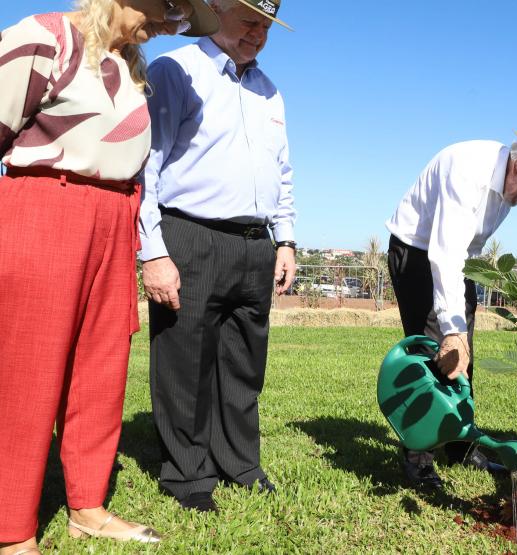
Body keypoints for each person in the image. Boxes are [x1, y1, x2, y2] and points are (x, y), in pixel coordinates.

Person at [0, 0, 218, 552]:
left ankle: (88, 505)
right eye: (173, 8)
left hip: (115, 217)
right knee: (27, 373)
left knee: (101, 368)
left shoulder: (129, 67)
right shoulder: (45, 38)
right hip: (45, 207)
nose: (175, 23)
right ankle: (12, 529)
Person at [139, 0, 295, 513]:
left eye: (267, 27)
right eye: (250, 21)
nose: (259, 35)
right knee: (185, 359)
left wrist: (285, 239)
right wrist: (153, 252)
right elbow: (148, 166)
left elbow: (283, 173)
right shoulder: (176, 70)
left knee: (245, 363)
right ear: (217, 11)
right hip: (191, 235)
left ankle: (239, 463)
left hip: (255, 244)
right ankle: (187, 473)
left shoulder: (270, 91)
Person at [385, 129, 517, 489]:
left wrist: (461, 331)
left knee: (465, 355)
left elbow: (464, 253)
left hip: (459, 263)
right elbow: (443, 253)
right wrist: (450, 330)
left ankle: (461, 447)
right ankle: (418, 457)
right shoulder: (467, 170)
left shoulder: (510, 186)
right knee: (436, 356)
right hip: (416, 253)